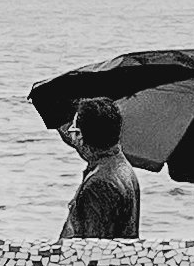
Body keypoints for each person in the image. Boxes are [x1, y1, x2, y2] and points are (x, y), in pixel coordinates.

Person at [58, 97, 141, 239]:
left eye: (75, 131)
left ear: (82, 138)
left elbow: (92, 249)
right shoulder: (119, 164)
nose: (72, 137)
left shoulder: (99, 185)